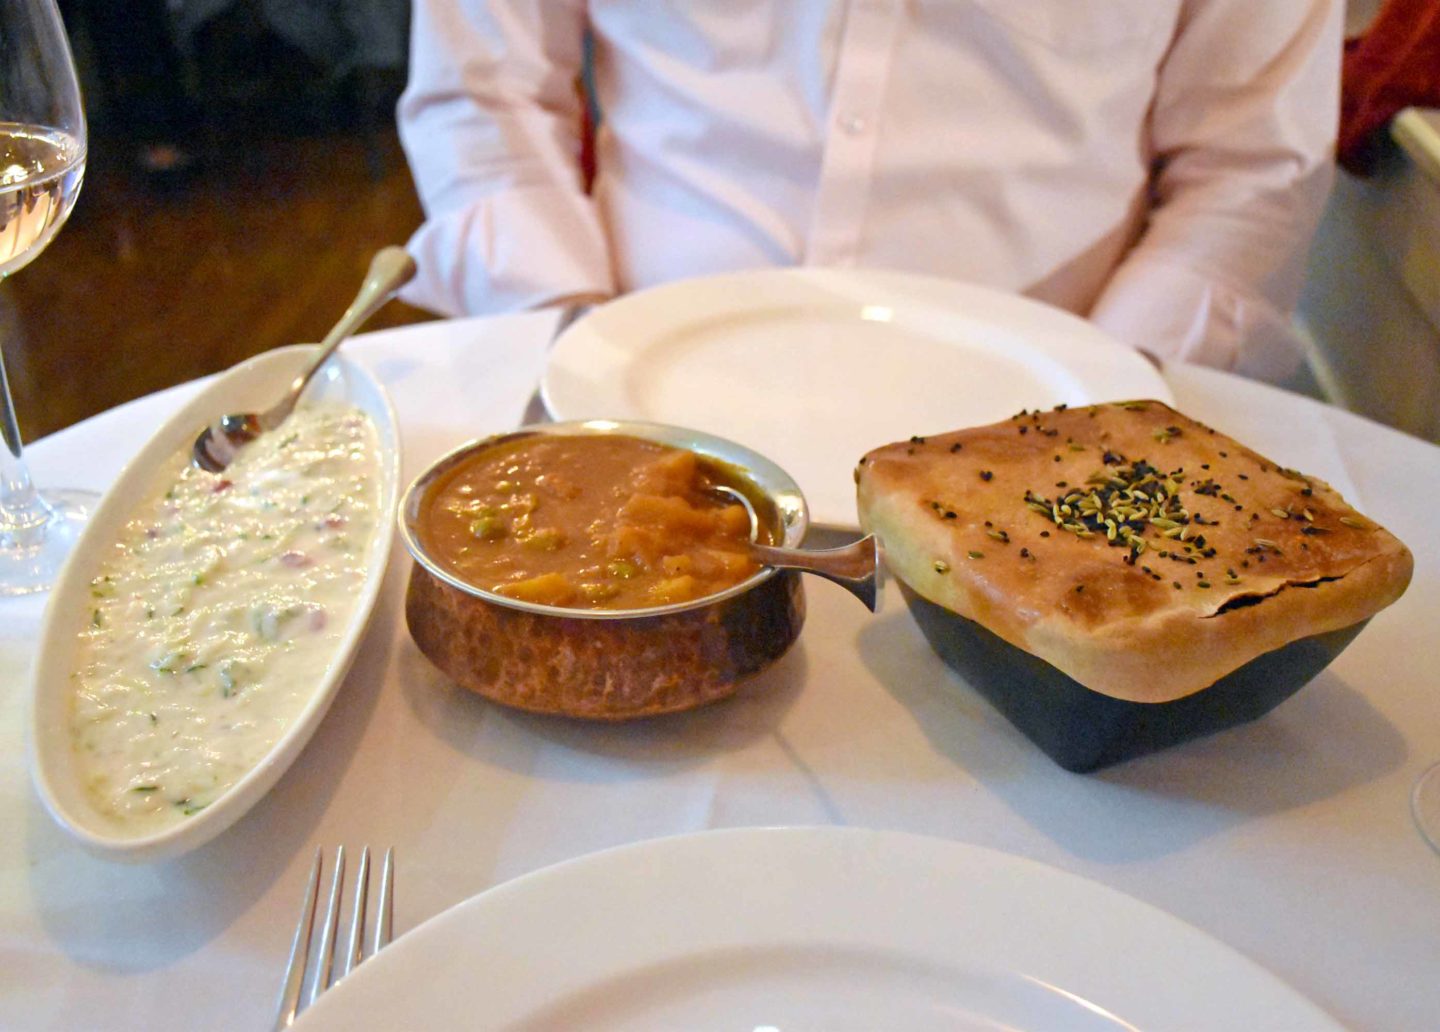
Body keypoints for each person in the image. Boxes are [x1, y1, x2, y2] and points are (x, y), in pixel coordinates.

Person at [397, 1, 1341, 383]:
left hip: (1045, 416)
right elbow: (485, 95)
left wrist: (1112, 403)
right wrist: (568, 341)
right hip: (622, 367)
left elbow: (1252, 165)